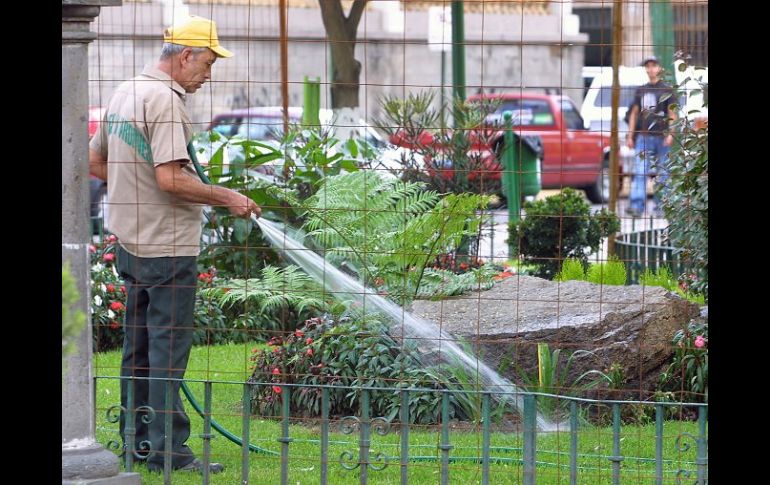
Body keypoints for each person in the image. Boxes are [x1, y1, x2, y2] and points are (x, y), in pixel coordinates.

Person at [89, 15, 260, 474]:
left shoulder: (126, 91)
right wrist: (229, 198)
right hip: (168, 247)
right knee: (167, 350)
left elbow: (95, 159)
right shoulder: (166, 102)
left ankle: (135, 441)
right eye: (206, 64)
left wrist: (133, 188)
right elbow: (169, 179)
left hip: (130, 241)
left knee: (138, 348)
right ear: (184, 56)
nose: (208, 76)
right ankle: (168, 450)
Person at [625, 55, 677, 217]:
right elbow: (634, 114)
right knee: (640, 171)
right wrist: (630, 135)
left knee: (663, 172)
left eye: (653, 65)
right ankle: (636, 206)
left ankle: (662, 205)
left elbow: (672, 113)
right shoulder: (641, 90)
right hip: (644, 136)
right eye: (648, 66)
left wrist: (671, 133)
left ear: (659, 68)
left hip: (662, 136)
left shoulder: (667, 90)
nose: (650, 69)